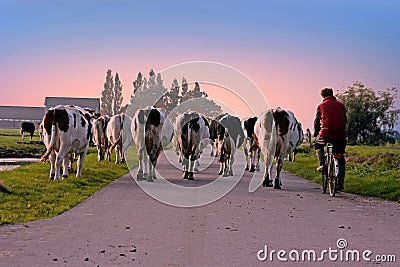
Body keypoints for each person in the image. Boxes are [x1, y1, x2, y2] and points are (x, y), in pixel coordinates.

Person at [314, 88, 347, 191]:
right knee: (340, 157)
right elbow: (345, 120)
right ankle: (340, 182)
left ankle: (322, 165)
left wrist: (316, 134)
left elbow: (316, 122)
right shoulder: (341, 105)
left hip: (325, 133)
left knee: (317, 145)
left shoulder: (320, 106)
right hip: (340, 134)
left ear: (323, 96)